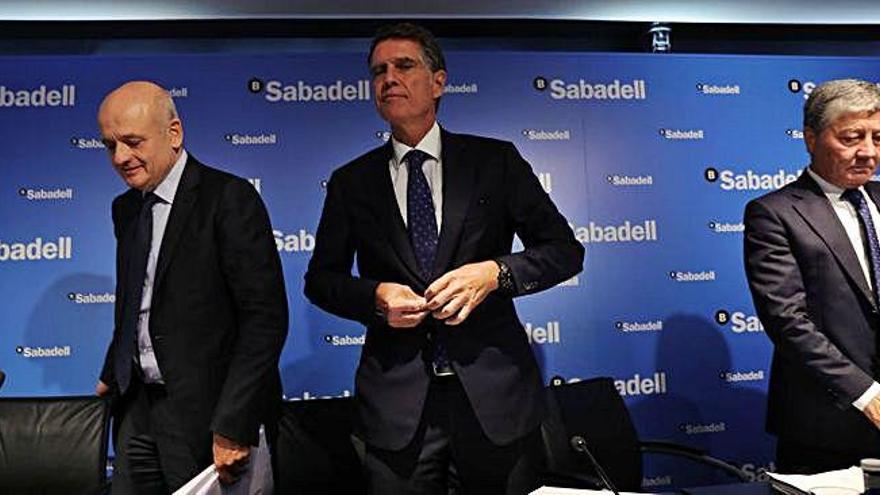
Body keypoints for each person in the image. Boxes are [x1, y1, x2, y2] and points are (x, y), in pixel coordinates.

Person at [304, 23, 584, 494]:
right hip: (398, 410)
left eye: (404, 66)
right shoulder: (352, 181)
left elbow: (564, 251)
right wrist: (375, 296)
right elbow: (321, 280)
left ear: (438, 81)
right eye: (378, 71)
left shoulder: (495, 162)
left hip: (496, 403)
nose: (388, 78)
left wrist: (496, 273)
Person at [95, 81, 288, 493]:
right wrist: (115, 368)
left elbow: (265, 320)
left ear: (175, 133)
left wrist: (235, 422)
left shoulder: (229, 198)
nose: (120, 157)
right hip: (138, 411)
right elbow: (137, 297)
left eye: (131, 141)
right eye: (109, 145)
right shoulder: (125, 208)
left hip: (210, 417)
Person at [745, 79, 880, 473]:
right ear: (810, 138)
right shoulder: (775, 213)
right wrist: (865, 393)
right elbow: (788, 322)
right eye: (852, 137)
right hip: (826, 426)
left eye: (878, 138)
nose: (868, 152)